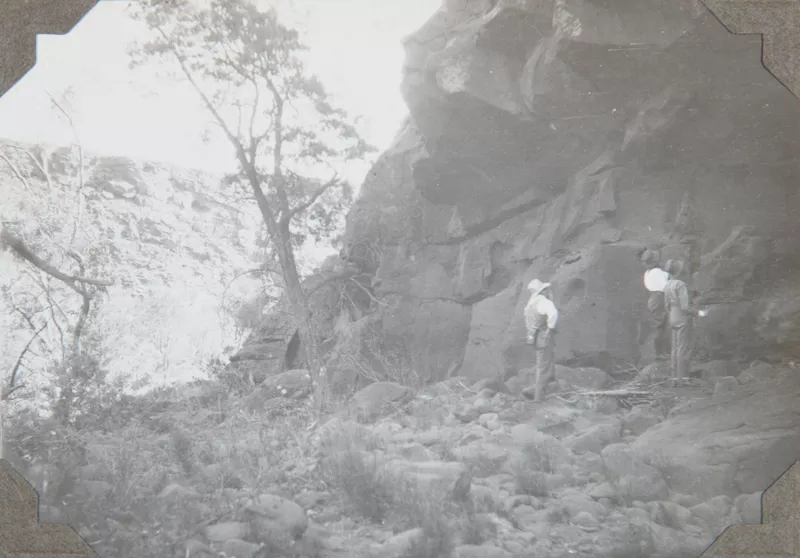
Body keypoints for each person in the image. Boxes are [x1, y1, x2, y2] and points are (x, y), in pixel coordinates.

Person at [524, 279, 559, 402]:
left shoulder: (531, 303)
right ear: (542, 291)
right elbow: (553, 314)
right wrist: (550, 328)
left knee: (544, 361)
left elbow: (528, 320)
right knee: (543, 365)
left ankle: (549, 387)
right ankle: (539, 397)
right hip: (544, 335)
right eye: (546, 289)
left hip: (534, 336)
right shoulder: (544, 302)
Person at [662, 259, 694, 384]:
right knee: (682, 348)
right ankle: (683, 379)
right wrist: (697, 312)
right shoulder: (680, 285)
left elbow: (666, 306)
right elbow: (685, 307)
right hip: (681, 317)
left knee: (674, 348)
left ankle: (674, 378)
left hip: (672, 316)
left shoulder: (667, 285)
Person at [641, 248, 670, 361]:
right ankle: (659, 353)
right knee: (660, 326)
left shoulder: (647, 272)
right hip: (659, 298)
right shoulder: (657, 272)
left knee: (658, 326)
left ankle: (659, 352)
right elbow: (666, 285)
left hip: (653, 298)